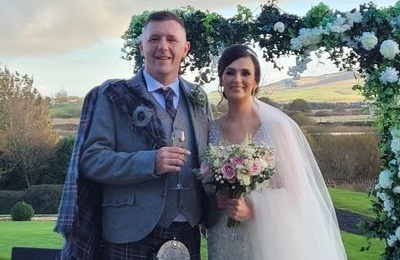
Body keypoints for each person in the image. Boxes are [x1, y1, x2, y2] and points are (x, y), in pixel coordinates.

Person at [54, 10, 212, 259]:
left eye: (171, 40)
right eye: (154, 39)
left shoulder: (199, 98)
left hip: (187, 232)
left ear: (185, 48)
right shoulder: (112, 95)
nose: (163, 47)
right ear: (141, 47)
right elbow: (92, 160)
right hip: (127, 233)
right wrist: (150, 162)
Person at [205, 44, 348, 260]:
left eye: (246, 73)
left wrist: (254, 209)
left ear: (256, 82)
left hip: (265, 235)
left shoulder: (276, 128)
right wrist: (216, 197)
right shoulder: (210, 129)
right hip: (223, 235)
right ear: (221, 79)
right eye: (230, 72)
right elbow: (203, 181)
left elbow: (296, 193)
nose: (237, 79)